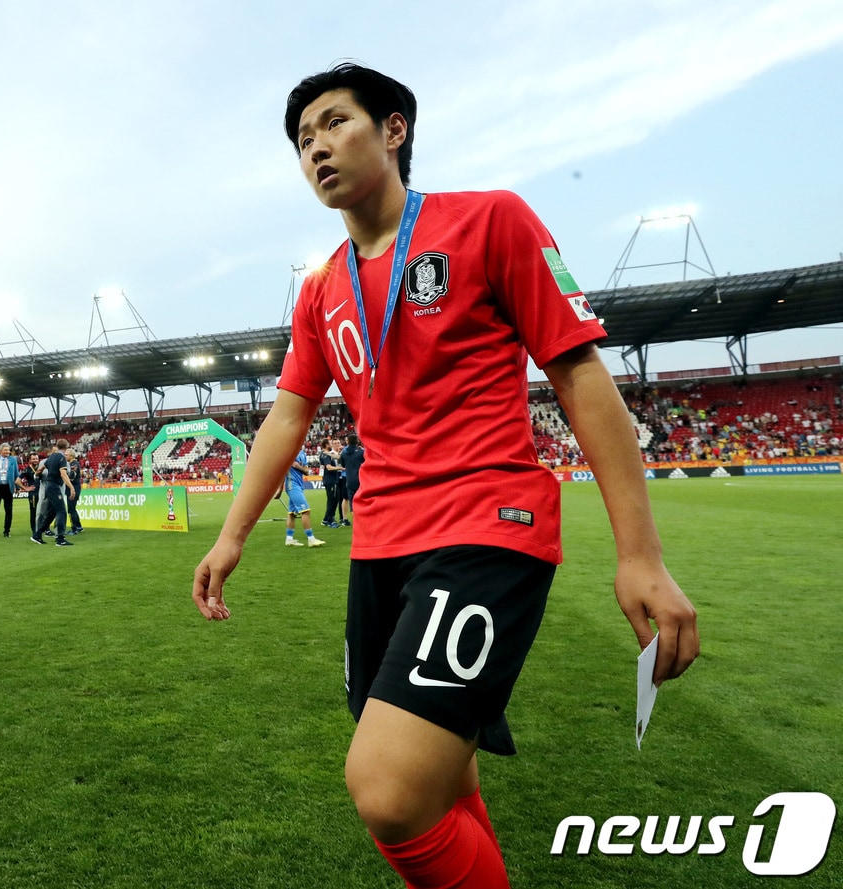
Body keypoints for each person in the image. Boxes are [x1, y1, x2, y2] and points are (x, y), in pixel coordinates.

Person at [191, 63, 698, 889]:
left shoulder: (488, 221)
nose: (315, 146)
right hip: (381, 546)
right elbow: (286, 415)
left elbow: (579, 375)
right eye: (302, 139)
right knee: (441, 779)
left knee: (387, 790)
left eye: (333, 123)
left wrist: (639, 552)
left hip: (486, 527)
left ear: (394, 130)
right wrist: (231, 533)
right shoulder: (321, 288)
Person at [31, 438, 76, 547]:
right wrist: (71, 488)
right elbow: (63, 474)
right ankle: (60, 538)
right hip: (55, 487)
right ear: (66, 447)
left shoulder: (51, 457)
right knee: (62, 512)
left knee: (51, 514)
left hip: (48, 486)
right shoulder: (62, 458)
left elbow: (41, 468)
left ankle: (37, 534)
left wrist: (37, 474)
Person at [282, 446, 324, 547]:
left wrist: (303, 469)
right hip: (292, 484)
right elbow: (295, 466)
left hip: (299, 485)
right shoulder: (290, 451)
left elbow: (304, 467)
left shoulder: (302, 453)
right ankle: (311, 539)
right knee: (305, 511)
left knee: (292, 513)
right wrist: (304, 471)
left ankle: (289, 539)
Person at [319, 437, 345, 527]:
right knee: (332, 500)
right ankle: (330, 520)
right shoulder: (326, 455)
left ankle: (326, 519)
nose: (331, 445)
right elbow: (329, 468)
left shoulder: (326, 454)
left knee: (334, 499)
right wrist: (340, 468)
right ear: (326, 445)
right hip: (330, 480)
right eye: (330, 443)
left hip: (331, 480)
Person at [340, 432, 363, 526]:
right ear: (357, 441)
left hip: (349, 480)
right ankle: (362, 520)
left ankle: (356, 522)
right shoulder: (361, 452)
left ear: (348, 442)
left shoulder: (344, 453)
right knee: (362, 501)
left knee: (352, 503)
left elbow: (342, 464)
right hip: (361, 480)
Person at [65, 447, 85, 534]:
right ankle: (79, 526)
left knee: (71, 509)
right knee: (73, 509)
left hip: (73, 489)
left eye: (66, 455)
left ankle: (74, 528)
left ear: (71, 456)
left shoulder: (74, 464)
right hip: (73, 488)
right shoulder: (71, 463)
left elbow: (72, 477)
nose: (65, 456)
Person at [20, 453, 41, 523]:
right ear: (30, 460)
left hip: (42, 493)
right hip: (33, 494)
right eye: (33, 459)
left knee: (44, 511)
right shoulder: (27, 469)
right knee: (33, 512)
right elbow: (17, 481)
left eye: (37, 459)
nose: (35, 460)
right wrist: (26, 488)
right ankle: (34, 529)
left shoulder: (41, 467)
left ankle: (46, 529)